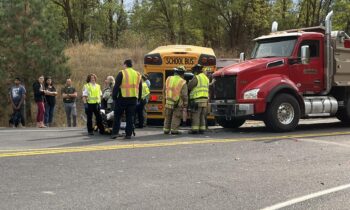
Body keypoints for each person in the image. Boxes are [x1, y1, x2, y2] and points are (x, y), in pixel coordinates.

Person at [111, 59, 142, 140]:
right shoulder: (138, 74)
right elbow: (140, 87)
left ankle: (115, 133)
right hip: (133, 99)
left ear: (125, 65)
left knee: (117, 116)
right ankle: (128, 134)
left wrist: (114, 97)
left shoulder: (122, 73)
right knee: (130, 117)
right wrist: (138, 98)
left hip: (122, 98)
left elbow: (116, 86)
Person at [163, 66, 188, 135]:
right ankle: (174, 130)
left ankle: (166, 129)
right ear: (182, 73)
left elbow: (164, 90)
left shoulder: (168, 79)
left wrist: (165, 98)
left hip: (168, 101)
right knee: (176, 116)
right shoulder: (182, 82)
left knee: (168, 116)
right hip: (177, 103)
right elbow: (184, 94)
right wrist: (186, 103)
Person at [188, 64, 209, 134]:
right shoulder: (206, 78)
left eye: (194, 72)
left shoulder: (196, 78)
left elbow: (190, 86)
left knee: (196, 115)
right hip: (205, 100)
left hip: (197, 100)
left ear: (196, 71)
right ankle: (202, 129)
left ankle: (195, 129)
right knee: (202, 115)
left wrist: (189, 82)